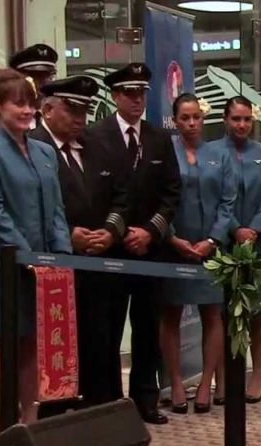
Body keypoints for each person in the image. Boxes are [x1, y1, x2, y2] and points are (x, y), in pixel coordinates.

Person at [0, 67, 72, 425]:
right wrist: (28, 255)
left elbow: (57, 209)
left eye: (32, 104)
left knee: (33, 342)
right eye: (19, 105)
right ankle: (6, 426)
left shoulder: (44, 151)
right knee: (3, 342)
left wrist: (60, 257)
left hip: (44, 263)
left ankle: (30, 421)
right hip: (4, 262)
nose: (28, 111)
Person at [86, 62, 182, 425]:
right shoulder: (96, 136)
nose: (137, 99)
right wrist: (115, 230)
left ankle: (145, 399)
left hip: (149, 250)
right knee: (106, 329)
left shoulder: (158, 138)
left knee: (147, 329)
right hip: (108, 251)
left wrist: (150, 232)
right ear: (115, 96)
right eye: (129, 93)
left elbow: (172, 193)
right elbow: (93, 192)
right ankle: (108, 402)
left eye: (141, 93)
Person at [32, 75, 128, 411]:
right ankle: (55, 411)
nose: (79, 119)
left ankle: (99, 408)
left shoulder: (97, 146)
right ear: (47, 109)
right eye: (71, 110)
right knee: (58, 345)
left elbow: (121, 195)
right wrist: (69, 234)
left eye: (84, 111)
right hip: (56, 266)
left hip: (99, 264)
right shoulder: (33, 147)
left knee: (100, 341)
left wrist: (110, 231)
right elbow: (32, 207)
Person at [160, 94, 235, 414]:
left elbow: (228, 202)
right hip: (174, 247)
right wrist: (173, 238)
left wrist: (213, 240)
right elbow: (157, 199)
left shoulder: (219, 154)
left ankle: (206, 383)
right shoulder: (165, 154)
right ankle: (176, 382)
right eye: (185, 118)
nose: (191, 123)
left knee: (212, 314)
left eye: (197, 118)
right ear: (175, 121)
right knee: (171, 315)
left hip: (211, 250)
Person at [215, 96, 261, 404]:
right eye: (236, 119)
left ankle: (256, 376)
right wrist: (235, 229)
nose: (242, 124)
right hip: (224, 243)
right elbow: (214, 198)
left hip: (258, 243)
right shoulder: (213, 152)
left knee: (256, 311)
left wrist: (252, 230)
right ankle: (225, 378)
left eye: (247, 119)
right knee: (222, 311)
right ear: (226, 120)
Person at [0, 44, 58, 137]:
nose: (44, 81)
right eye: (36, 76)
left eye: (48, 75)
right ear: (18, 78)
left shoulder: (54, 116)